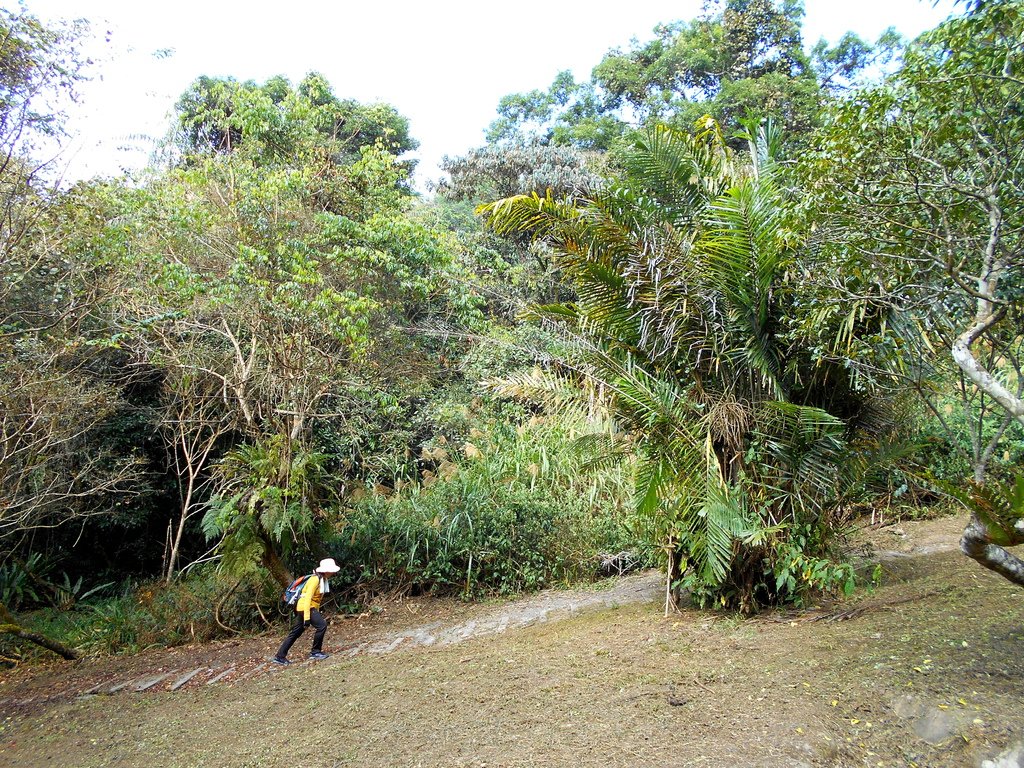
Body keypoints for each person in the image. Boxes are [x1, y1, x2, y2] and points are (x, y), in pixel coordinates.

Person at [272, 557, 341, 665]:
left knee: (295, 632)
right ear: (326, 570)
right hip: (305, 607)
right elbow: (308, 597)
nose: (333, 572)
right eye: (331, 570)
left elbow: (316, 600)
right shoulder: (315, 580)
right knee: (322, 625)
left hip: (305, 607)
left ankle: (280, 656)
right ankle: (315, 651)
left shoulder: (322, 580)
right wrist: (308, 618)